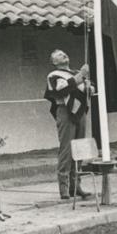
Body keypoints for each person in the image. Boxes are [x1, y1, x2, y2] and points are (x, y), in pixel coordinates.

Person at [44, 49, 93, 200]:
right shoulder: (54, 75)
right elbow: (62, 90)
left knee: (79, 148)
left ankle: (76, 186)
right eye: (59, 55)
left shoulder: (76, 72)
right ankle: (64, 188)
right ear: (54, 62)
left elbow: (85, 88)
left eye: (64, 53)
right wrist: (80, 76)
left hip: (80, 112)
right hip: (65, 111)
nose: (63, 55)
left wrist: (89, 88)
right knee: (66, 149)